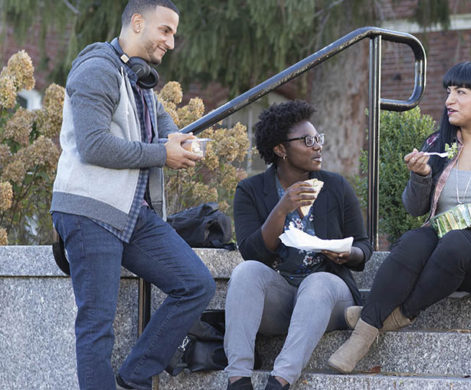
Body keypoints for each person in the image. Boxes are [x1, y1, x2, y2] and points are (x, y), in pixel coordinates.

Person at [327, 61, 471, 373]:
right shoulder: (438, 145)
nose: (450, 100)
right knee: (413, 240)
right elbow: (415, 208)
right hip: (443, 250)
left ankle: (396, 316)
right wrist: (420, 176)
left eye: (460, 92)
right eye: (448, 92)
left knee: (457, 242)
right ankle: (364, 335)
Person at [49, 1, 216, 389]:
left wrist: (179, 141)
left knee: (196, 284)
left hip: (130, 213)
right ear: (137, 23)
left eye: (173, 33)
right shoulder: (97, 70)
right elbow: (94, 146)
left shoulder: (138, 79)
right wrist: (162, 153)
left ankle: (134, 379)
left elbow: (163, 126)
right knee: (97, 325)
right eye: (165, 31)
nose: (170, 42)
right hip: (89, 212)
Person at [224, 100, 373, 390]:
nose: (317, 146)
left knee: (317, 282)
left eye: (318, 139)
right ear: (280, 149)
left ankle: (280, 381)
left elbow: (364, 248)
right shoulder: (251, 191)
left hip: (329, 295)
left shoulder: (336, 186)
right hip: (281, 295)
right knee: (245, 273)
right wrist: (282, 208)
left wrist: (348, 253)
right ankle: (238, 378)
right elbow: (252, 254)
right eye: (308, 140)